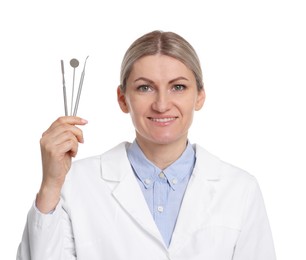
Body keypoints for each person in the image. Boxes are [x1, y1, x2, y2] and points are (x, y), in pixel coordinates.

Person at [17, 30, 276, 260]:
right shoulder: (75, 183)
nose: (162, 104)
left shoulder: (240, 189)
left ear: (199, 96)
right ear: (122, 99)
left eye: (178, 87)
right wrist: (51, 184)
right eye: (144, 88)